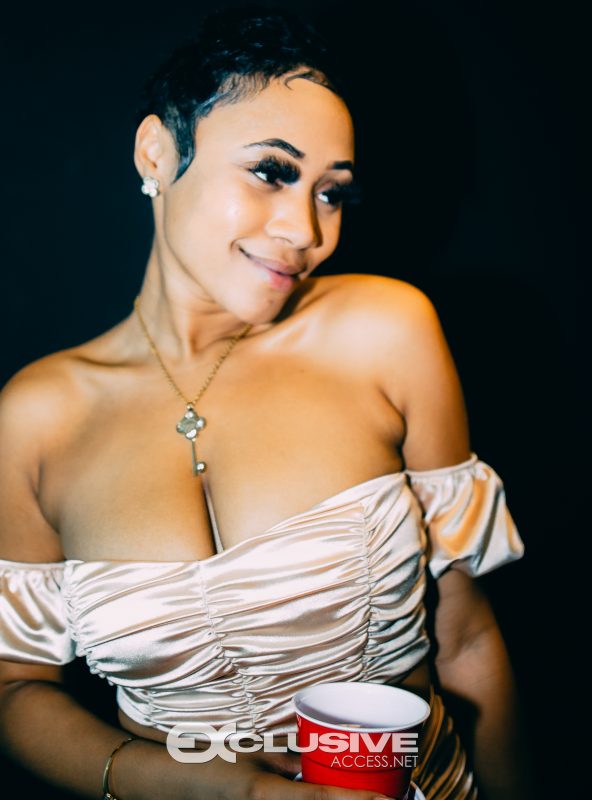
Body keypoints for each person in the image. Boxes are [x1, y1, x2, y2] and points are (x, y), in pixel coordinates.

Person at [0, 7, 528, 800]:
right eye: (272, 171)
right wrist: (192, 786)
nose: (307, 230)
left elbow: (467, 639)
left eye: (332, 193)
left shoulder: (384, 331)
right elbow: (14, 687)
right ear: (157, 152)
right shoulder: (38, 416)